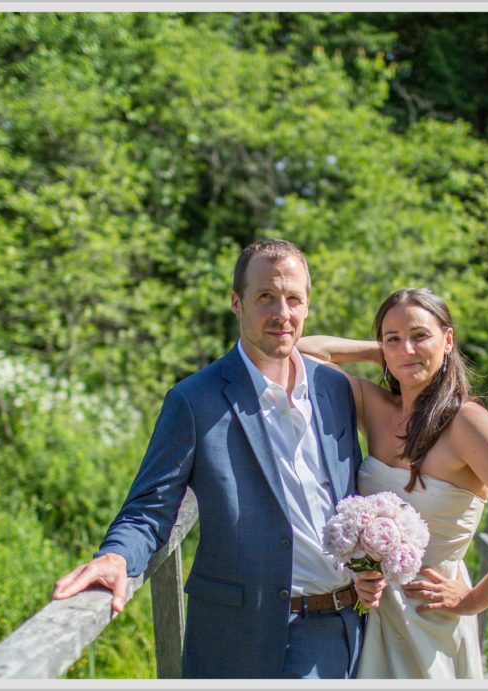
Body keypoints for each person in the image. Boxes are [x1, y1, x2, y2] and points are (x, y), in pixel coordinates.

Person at [52, 239, 386, 679]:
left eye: (293, 299)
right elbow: (150, 508)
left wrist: (367, 566)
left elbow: (344, 500)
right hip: (241, 637)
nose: (281, 313)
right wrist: (115, 557)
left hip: (343, 630)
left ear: (307, 305)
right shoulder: (195, 401)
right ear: (236, 301)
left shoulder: (335, 389)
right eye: (265, 297)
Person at [298, 287, 488, 679]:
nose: (407, 349)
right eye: (394, 339)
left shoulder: (467, 424)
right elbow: (305, 351)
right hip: (369, 610)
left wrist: (473, 600)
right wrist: (383, 351)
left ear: (448, 339)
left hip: (429, 618)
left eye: (420, 335)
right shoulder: (375, 407)